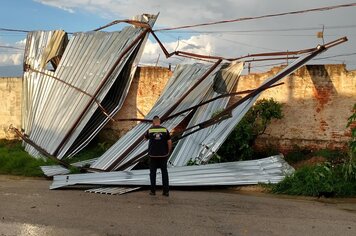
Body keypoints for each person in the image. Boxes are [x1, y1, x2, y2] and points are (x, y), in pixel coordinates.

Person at [145, 116, 172, 196]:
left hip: (153, 156)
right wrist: (168, 152)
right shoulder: (165, 130)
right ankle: (166, 191)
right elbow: (169, 142)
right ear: (159, 121)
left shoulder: (150, 130)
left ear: (153, 122)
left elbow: (145, 138)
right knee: (164, 173)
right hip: (163, 155)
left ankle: (153, 191)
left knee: (153, 173)